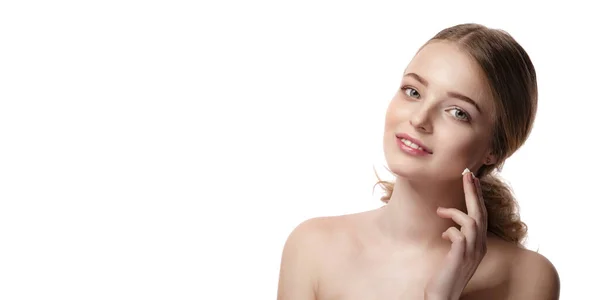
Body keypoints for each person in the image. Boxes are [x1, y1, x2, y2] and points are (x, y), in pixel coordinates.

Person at [276, 23, 560, 300]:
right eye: (413, 92)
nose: (419, 119)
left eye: (458, 112)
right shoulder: (312, 249)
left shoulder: (526, 278)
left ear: (494, 150)